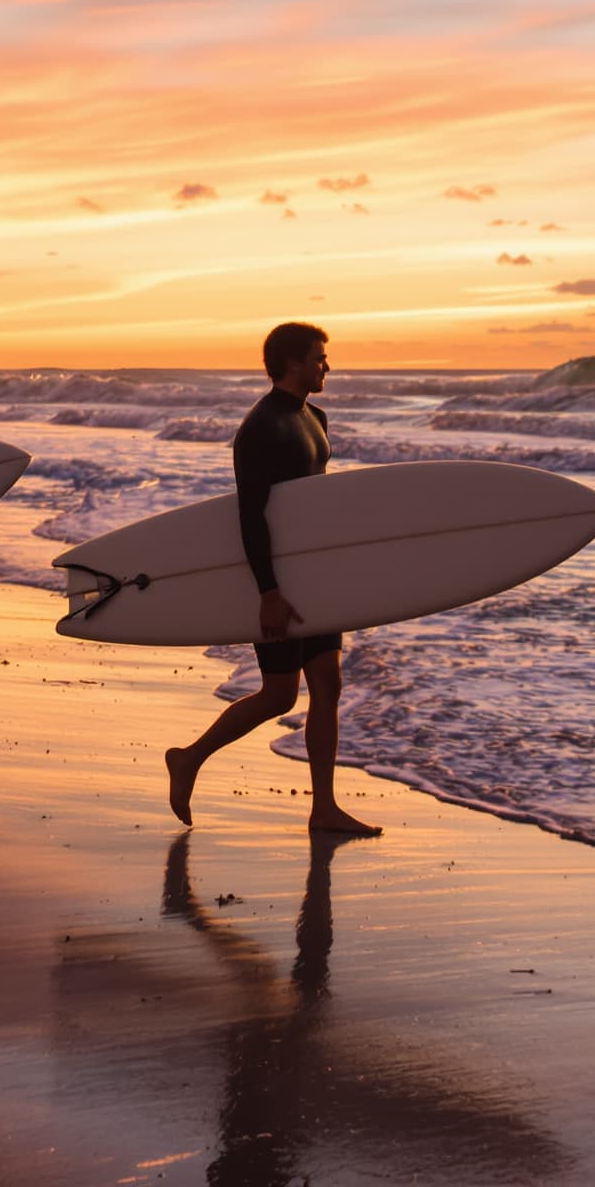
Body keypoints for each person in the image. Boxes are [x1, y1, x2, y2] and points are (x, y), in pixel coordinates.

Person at [164, 322, 381, 836]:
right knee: (280, 694)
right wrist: (269, 592)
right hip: (278, 578)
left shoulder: (315, 417)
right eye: (319, 358)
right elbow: (252, 515)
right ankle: (188, 757)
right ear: (292, 363)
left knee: (327, 683)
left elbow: (312, 506)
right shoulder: (260, 427)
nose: (327, 366)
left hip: (313, 574)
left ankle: (323, 808)